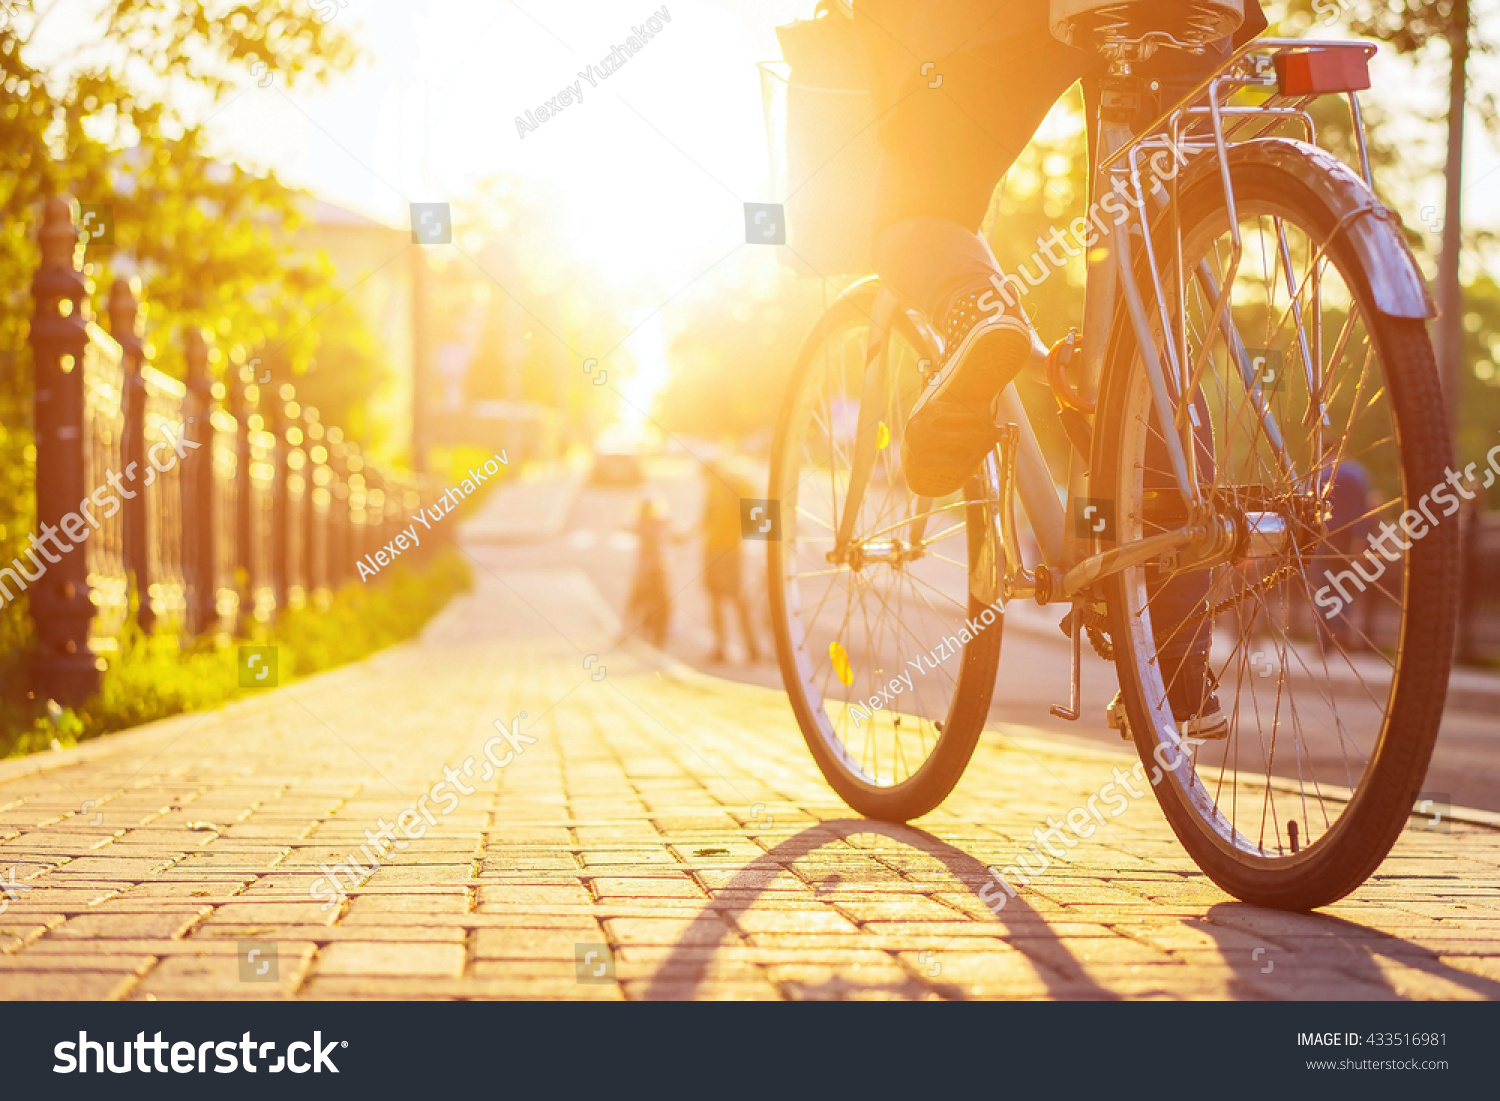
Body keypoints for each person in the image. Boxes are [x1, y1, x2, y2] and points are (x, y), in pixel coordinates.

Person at [846, 0, 1270, 737]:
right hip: (1201, 12)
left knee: (911, 212)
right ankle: (1175, 665)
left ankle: (973, 305)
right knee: (1154, 320)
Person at [701, 459, 762, 664]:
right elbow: (754, 523)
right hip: (734, 550)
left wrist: (684, 536)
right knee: (739, 601)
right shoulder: (738, 487)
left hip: (716, 550)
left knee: (718, 600)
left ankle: (721, 648)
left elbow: (705, 520)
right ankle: (752, 649)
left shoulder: (719, 489)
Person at [625, 495, 673, 648]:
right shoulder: (658, 523)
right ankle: (658, 634)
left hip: (649, 569)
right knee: (659, 602)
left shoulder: (644, 524)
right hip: (658, 568)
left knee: (640, 600)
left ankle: (632, 630)